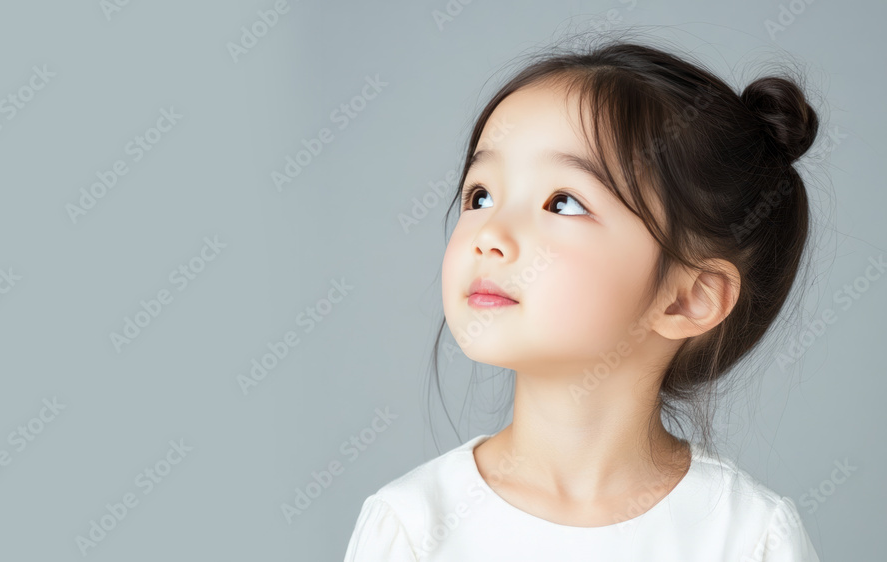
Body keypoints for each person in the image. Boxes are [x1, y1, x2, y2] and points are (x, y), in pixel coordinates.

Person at [344, 35, 823, 561]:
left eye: (562, 202)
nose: (488, 234)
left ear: (688, 298)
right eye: (480, 196)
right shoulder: (412, 525)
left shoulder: (748, 536)